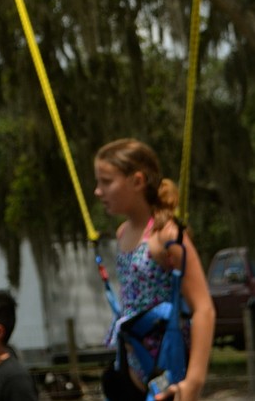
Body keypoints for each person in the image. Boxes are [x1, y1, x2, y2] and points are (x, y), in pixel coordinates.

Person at [94, 139, 215, 401]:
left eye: (106, 182)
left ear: (137, 181)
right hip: (130, 362)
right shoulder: (123, 232)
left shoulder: (167, 236)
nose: (97, 191)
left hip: (165, 368)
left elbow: (204, 308)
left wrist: (194, 381)